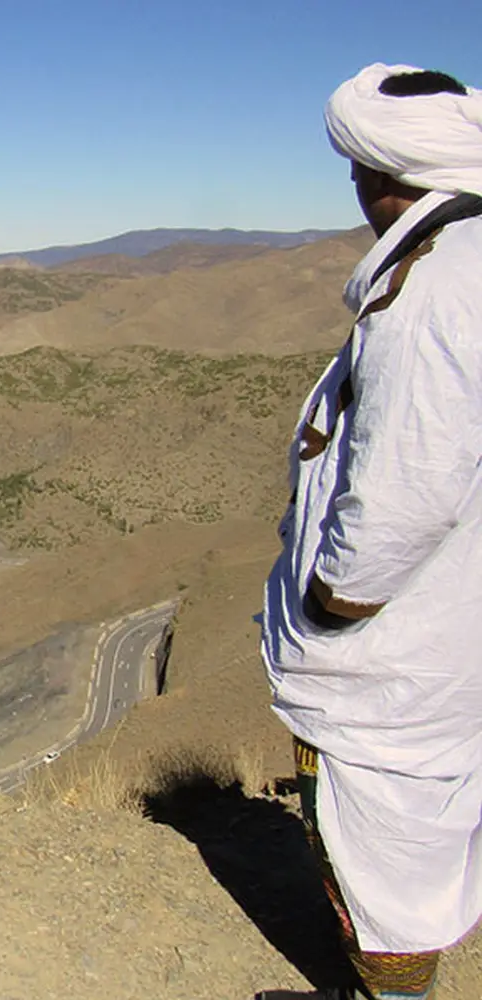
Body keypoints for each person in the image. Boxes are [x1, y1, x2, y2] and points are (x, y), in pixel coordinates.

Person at [258, 64, 482, 1000]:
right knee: (418, 819)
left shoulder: (433, 291)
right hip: (451, 618)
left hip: (395, 645)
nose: (353, 188)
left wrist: (331, 601)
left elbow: (409, 485)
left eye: (357, 170)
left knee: (375, 828)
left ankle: (389, 994)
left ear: (385, 175)